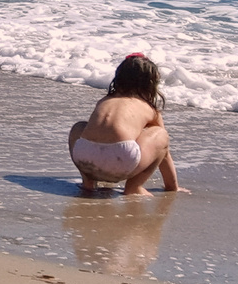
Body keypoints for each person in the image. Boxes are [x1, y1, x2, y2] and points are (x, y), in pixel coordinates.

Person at [69, 53, 189, 197]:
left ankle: (88, 183)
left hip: (85, 160)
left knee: (79, 127)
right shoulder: (149, 109)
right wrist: (172, 187)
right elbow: (164, 152)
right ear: (150, 83)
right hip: (121, 163)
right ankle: (134, 187)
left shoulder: (105, 100)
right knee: (161, 135)